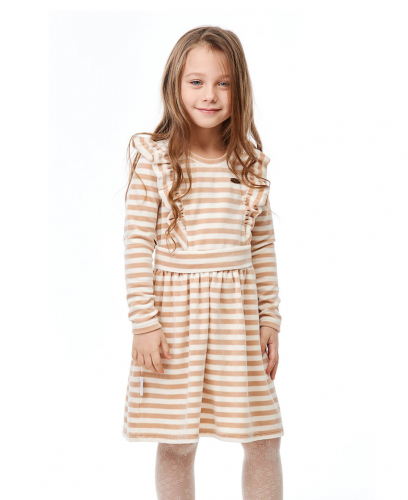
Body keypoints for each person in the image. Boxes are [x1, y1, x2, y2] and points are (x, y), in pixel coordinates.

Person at [122, 26, 284, 500]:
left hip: (237, 318)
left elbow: (262, 246)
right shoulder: (155, 159)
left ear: (240, 89)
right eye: (196, 82)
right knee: (176, 440)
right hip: (174, 321)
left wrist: (270, 318)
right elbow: (136, 242)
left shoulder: (249, 165)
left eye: (223, 83)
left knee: (262, 437)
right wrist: (144, 323)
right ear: (175, 84)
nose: (210, 95)